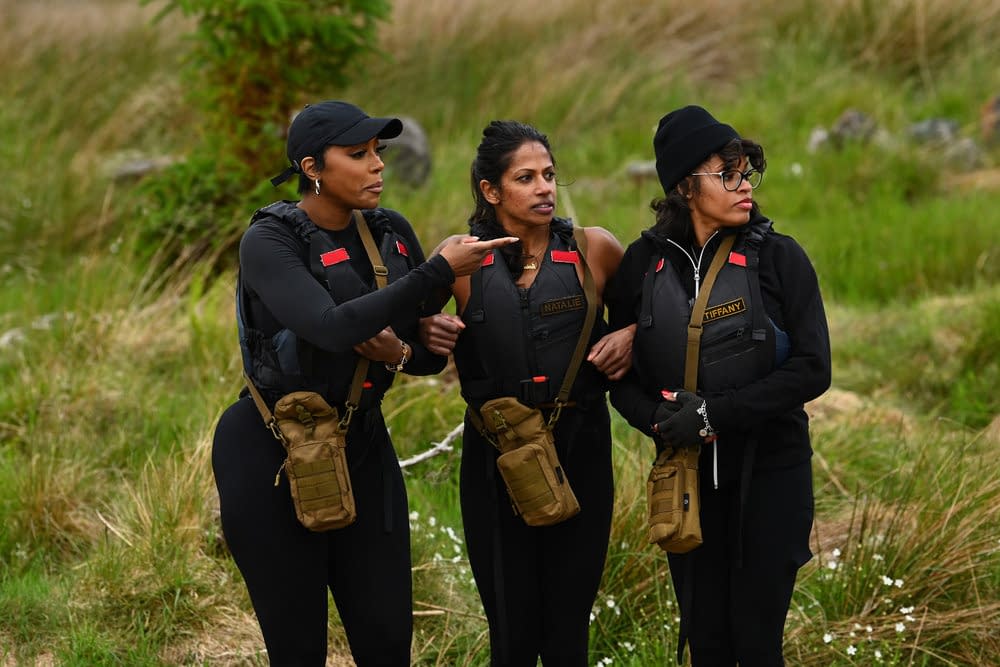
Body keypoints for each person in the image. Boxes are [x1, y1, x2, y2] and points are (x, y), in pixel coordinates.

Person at [211, 100, 516, 666]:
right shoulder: (269, 241)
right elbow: (330, 327)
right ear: (312, 168)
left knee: (386, 643)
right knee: (298, 651)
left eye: (378, 151)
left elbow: (423, 356)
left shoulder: (390, 232)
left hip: (363, 444)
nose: (377, 165)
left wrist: (404, 348)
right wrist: (438, 271)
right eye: (358, 154)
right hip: (270, 449)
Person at [607, 105, 831, 666]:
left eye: (745, 173)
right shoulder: (641, 264)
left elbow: (813, 368)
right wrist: (658, 422)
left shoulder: (779, 257)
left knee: (756, 646)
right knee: (706, 644)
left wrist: (712, 416)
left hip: (772, 477)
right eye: (726, 174)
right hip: (684, 484)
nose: (744, 186)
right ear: (685, 186)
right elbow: (619, 381)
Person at [419, 120, 634, 666]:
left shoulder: (596, 249)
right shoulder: (460, 260)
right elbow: (409, 335)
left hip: (581, 449)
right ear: (490, 191)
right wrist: (424, 328)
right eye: (526, 178)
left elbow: (656, 320)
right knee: (511, 635)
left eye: (549, 175)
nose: (544, 188)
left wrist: (631, 334)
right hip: (495, 455)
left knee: (568, 635)